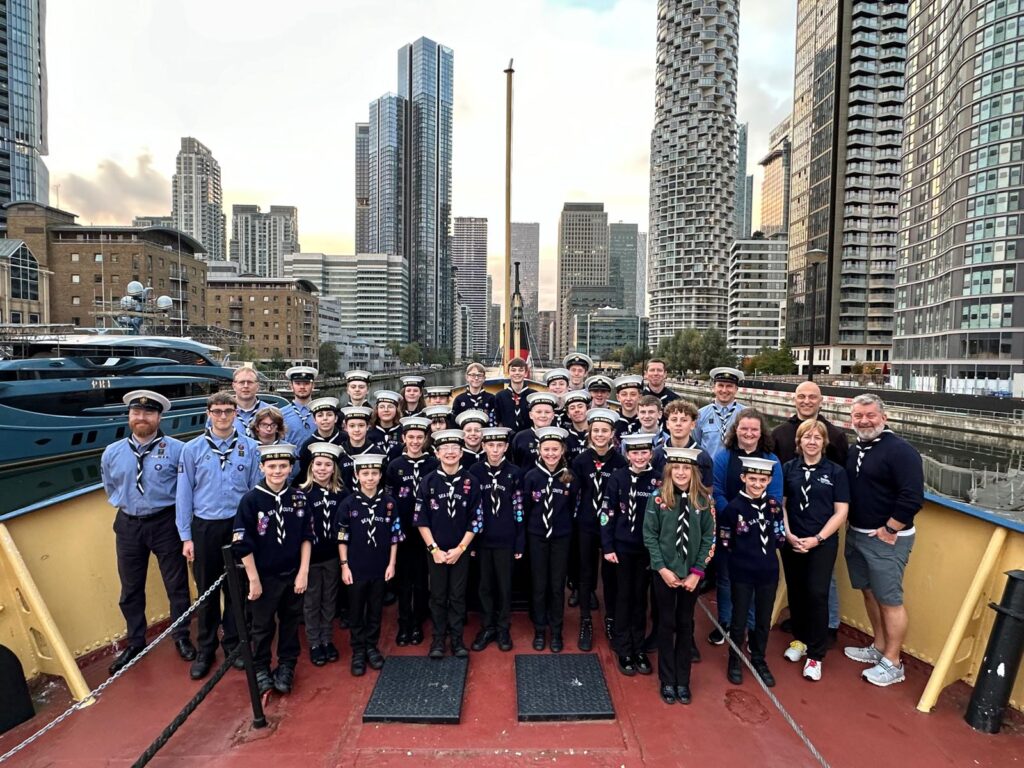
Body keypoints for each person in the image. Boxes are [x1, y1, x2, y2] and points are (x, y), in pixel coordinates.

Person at [101, 390, 195, 674]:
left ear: (159, 417)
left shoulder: (178, 450)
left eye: (148, 413)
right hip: (129, 524)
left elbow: (186, 489)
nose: (142, 418)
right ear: (129, 416)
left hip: (165, 522)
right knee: (130, 587)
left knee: (176, 585)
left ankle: (181, 636)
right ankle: (136, 641)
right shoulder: (113, 452)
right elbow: (110, 485)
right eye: (136, 413)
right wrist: (129, 503)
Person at [177, 391, 262, 679]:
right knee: (207, 591)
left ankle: (235, 645)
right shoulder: (192, 450)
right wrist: (186, 536)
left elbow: (254, 492)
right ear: (208, 414)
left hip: (237, 525)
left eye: (228, 410)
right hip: (205, 527)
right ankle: (206, 649)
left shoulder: (250, 448)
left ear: (236, 413)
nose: (223, 416)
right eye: (217, 411)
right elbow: (184, 494)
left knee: (237, 589)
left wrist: (252, 531)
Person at [843, 393, 923, 688]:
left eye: (870, 415)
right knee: (868, 592)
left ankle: (893, 661)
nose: (864, 421)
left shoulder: (900, 451)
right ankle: (877, 646)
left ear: (883, 417)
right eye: (858, 416)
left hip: (887, 539)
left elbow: (913, 496)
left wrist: (890, 528)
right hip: (857, 535)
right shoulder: (856, 450)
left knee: (890, 600)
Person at [771, 380, 849, 642]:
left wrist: (822, 532)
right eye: (801, 396)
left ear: (820, 400)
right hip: (791, 519)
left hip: (822, 521)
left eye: (812, 397)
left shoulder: (836, 435)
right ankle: (801, 624)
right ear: (794, 399)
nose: (806, 401)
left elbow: (840, 479)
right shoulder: (779, 433)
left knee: (822, 582)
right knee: (797, 580)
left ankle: (828, 627)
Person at [232, 443, 312, 695]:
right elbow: (242, 543)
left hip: (292, 574)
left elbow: (306, 537)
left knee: (290, 623)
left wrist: (303, 572)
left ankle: (287, 665)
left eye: (283, 466)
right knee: (262, 625)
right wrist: (253, 579)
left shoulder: (298, 498)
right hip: (264, 577)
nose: (277, 471)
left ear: (291, 468)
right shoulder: (251, 500)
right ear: (262, 467)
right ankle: (261, 667)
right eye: (272, 466)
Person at [643, 447, 715, 705]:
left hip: (691, 576)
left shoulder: (704, 501)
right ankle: (667, 678)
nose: (682, 473)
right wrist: (662, 568)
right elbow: (650, 535)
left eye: (686, 468)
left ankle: (683, 680)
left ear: (694, 472)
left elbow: (709, 538)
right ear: (669, 472)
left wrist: (697, 572)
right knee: (665, 623)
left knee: (685, 625)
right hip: (664, 573)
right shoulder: (658, 499)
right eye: (676, 469)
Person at [781, 420, 849, 681]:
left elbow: (841, 511)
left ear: (824, 442)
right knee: (796, 591)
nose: (811, 441)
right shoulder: (789, 469)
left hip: (821, 542)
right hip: (794, 539)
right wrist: (788, 534)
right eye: (806, 437)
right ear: (799, 442)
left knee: (818, 593)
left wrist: (818, 538)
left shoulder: (835, 472)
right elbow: (783, 504)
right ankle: (799, 639)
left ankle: (816, 654)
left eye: (817, 438)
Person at [709, 409, 783, 645]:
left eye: (754, 429)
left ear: (761, 433)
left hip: (760, 529)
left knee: (755, 580)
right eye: (744, 428)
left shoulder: (772, 461)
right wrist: (733, 515)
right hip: (729, 525)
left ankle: (751, 628)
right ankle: (726, 623)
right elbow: (717, 491)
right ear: (736, 430)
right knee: (726, 577)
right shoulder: (724, 458)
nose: (749, 433)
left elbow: (775, 496)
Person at [414, 429, 484, 659]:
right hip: (435, 551)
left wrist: (461, 548)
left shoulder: (470, 481)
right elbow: (421, 519)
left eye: (455, 448)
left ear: (462, 452)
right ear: (437, 453)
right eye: (445, 449)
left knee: (457, 595)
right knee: (437, 595)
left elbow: (476, 519)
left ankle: (456, 639)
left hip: (460, 550)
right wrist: (433, 549)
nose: (451, 452)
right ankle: (437, 639)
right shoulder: (428, 482)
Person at [718, 456, 785, 688]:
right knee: (739, 618)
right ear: (743, 478)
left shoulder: (774, 507)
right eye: (753, 478)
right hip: (742, 573)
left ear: (769, 480)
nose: (757, 484)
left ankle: (758, 658)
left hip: (768, 573)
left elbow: (779, 536)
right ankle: (734, 659)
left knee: (763, 619)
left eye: (763, 479)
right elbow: (726, 541)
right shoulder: (733, 509)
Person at [338, 453, 402, 676]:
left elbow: (395, 536)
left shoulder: (389, 503)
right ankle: (358, 650)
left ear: (380, 475)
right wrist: (345, 565)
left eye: (374, 473)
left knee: (375, 609)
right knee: (356, 610)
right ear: (357, 475)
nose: (370, 478)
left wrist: (391, 564)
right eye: (365, 473)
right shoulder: (348, 504)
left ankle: (372, 646)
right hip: (356, 567)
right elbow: (342, 537)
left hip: (380, 565)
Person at [602, 433, 659, 677]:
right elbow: (607, 513)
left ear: (651, 454)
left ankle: (639, 646)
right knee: (623, 597)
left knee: (640, 598)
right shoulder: (618, 478)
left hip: (646, 550)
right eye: (634, 453)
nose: (639, 457)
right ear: (627, 455)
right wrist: (608, 546)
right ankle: (623, 646)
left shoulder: (657, 481)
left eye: (644, 452)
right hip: (622, 547)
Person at [571, 408, 627, 650]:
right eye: (596, 431)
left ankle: (611, 619)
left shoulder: (620, 462)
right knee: (585, 573)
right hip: (586, 523)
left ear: (612, 433)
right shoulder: (581, 460)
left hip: (612, 527)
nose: (600, 435)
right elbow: (573, 490)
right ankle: (585, 621)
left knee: (611, 575)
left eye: (605, 431)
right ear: (590, 433)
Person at [467, 427, 523, 652]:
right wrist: (470, 543)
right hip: (481, 540)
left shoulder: (515, 473)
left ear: (506, 447)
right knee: (485, 586)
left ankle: (503, 627)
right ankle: (487, 625)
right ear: (483, 446)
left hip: (506, 539)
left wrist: (519, 541)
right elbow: (470, 510)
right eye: (491, 445)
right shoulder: (474, 471)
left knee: (504, 586)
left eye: (500, 445)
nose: (495, 449)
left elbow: (519, 509)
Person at [522, 426, 578, 654]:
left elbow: (573, 507)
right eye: (546, 449)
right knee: (538, 584)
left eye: (555, 449)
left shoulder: (569, 478)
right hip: (537, 537)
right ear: (539, 450)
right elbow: (525, 508)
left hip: (561, 538)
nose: (551, 454)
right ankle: (539, 629)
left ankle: (556, 630)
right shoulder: (531, 477)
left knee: (556, 586)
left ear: (563, 450)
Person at [385, 416, 437, 646]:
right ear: (404, 438)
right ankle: (404, 621)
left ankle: (419, 621)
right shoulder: (395, 465)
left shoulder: (432, 464)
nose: (415, 442)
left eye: (419, 437)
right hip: (404, 529)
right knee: (404, 580)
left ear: (425, 439)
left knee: (422, 578)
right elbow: (389, 499)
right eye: (411, 437)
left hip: (426, 530)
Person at [299, 442, 347, 667]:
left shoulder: (342, 494)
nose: (322, 468)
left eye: (328, 464)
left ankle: (327, 639)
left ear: (334, 468)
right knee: (311, 601)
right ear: (311, 467)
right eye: (318, 464)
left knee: (329, 598)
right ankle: (315, 642)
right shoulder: (301, 494)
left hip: (332, 556)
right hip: (311, 558)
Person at [654, 400, 712, 487]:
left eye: (684, 420)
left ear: (692, 424)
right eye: (674, 420)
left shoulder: (702, 456)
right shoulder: (657, 454)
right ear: (667, 424)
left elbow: (708, 490)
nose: (678, 424)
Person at [694, 367, 746, 460]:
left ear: (736, 389)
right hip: (708, 470)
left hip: (736, 470)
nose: (724, 390)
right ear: (714, 387)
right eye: (720, 385)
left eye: (729, 386)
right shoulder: (700, 415)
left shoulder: (746, 414)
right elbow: (696, 443)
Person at [338, 405, 385, 493]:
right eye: (352, 426)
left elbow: (382, 483)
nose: (357, 430)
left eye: (361, 425)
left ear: (368, 427)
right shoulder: (339, 453)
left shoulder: (377, 453)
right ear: (346, 428)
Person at [296, 397, 343, 483]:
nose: (325, 418)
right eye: (320, 415)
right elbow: (305, 473)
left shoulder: (346, 440)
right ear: (314, 420)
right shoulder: (308, 446)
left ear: (335, 418)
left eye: (329, 415)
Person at [510, 391, 558, 467]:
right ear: (531, 415)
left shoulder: (560, 437)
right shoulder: (520, 438)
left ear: (553, 415)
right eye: (538, 412)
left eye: (547, 412)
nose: (543, 415)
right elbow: (515, 465)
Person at [494, 357, 534, 433]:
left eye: (521, 370)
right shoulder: (500, 396)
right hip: (507, 437)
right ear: (508, 373)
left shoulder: (533, 396)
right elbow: (498, 421)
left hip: (528, 438)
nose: (517, 373)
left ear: (525, 373)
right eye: (513, 370)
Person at [231, 366, 273, 436]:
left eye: (250, 382)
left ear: (257, 386)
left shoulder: (272, 412)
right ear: (234, 386)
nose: (246, 386)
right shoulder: (221, 413)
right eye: (241, 382)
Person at [282, 366, 317, 447]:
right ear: (291, 386)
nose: (302, 387)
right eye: (298, 383)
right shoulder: (282, 414)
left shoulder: (321, 413)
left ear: (313, 385)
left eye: (306, 383)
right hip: (292, 458)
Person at [562, 390, 592, 454]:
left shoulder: (596, 433)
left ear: (588, 409)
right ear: (568, 414)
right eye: (572, 408)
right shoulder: (565, 437)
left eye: (580, 406)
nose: (577, 410)